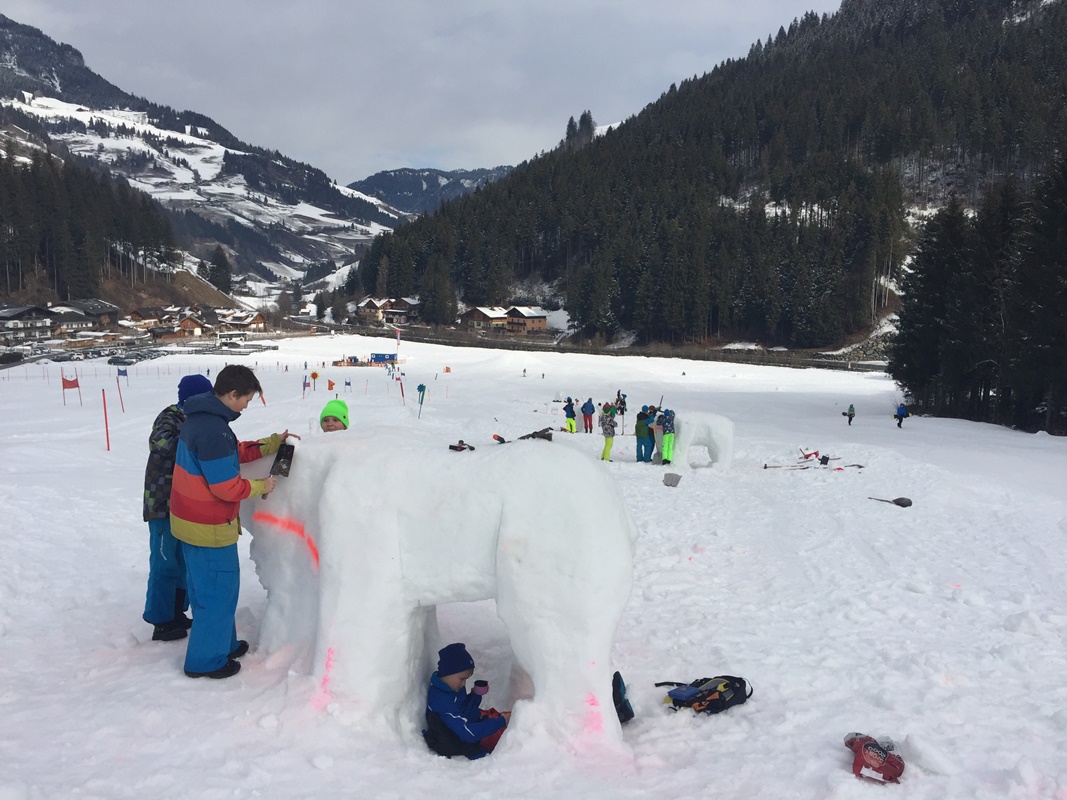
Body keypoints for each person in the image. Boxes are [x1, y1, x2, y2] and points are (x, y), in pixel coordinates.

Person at [170, 365, 296, 679]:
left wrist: (267, 445)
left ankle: (220, 643)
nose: (246, 406)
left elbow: (229, 453)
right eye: (246, 400)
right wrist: (262, 486)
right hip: (208, 528)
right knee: (217, 593)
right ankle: (207, 660)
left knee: (206, 592)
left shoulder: (203, 419)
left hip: (190, 522)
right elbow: (226, 487)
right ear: (232, 394)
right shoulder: (213, 428)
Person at [142, 374, 213, 642]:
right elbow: (160, 443)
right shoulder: (170, 416)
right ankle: (161, 620)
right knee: (164, 563)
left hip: (184, 504)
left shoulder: (196, 419)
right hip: (162, 504)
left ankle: (176, 612)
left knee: (183, 562)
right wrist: (194, 441)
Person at [423, 643, 510, 759]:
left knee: (512, 719)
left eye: (466, 679)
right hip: (457, 742)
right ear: (447, 672)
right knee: (508, 737)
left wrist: (475, 696)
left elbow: (463, 710)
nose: (463, 684)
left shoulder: (451, 687)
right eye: (462, 678)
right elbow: (467, 733)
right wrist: (501, 721)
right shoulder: (441, 701)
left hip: (468, 728)